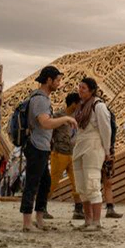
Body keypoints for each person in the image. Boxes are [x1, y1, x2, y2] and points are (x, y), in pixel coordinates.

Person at [20, 66, 76, 232]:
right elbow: (45, 123)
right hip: (36, 146)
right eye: (57, 80)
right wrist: (65, 119)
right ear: (49, 80)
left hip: (42, 146)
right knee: (32, 183)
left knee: (45, 183)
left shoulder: (42, 99)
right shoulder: (40, 100)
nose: (59, 83)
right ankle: (27, 223)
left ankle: (39, 219)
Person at [71, 77, 112, 231]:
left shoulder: (99, 106)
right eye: (79, 87)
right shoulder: (80, 107)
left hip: (93, 145)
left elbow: (106, 129)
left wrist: (107, 150)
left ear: (91, 90)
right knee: (81, 186)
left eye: (83, 88)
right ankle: (87, 220)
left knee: (92, 183)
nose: (80, 90)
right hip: (80, 145)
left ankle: (96, 222)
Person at [45, 92, 81, 221]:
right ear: (73, 104)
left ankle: (78, 209)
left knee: (76, 182)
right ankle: (42, 207)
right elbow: (50, 132)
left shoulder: (78, 116)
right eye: (79, 103)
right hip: (60, 153)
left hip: (74, 153)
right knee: (53, 182)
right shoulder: (59, 116)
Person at [102, 103, 123, 219]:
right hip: (103, 150)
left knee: (107, 181)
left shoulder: (107, 116)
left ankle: (110, 208)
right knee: (106, 181)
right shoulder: (108, 116)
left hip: (106, 150)